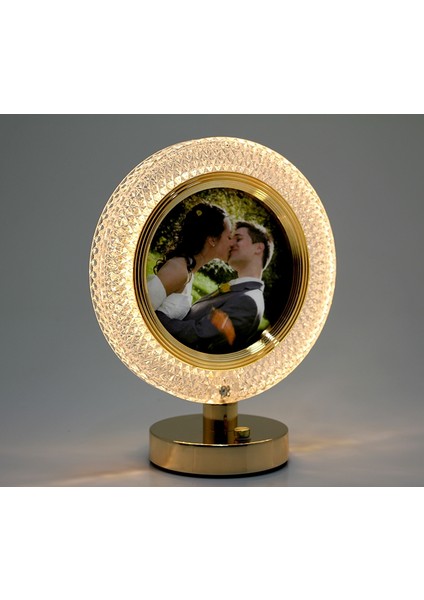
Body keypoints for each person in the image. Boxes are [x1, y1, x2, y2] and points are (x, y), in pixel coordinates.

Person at [157, 221, 274, 353]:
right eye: (231, 238)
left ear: (258, 248)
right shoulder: (240, 292)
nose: (231, 243)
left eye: (238, 239)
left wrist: (154, 316)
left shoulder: (248, 301)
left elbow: (197, 336)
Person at [147, 202, 233, 319]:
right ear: (212, 240)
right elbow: (138, 308)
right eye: (229, 237)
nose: (232, 243)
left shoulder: (189, 271)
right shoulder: (178, 270)